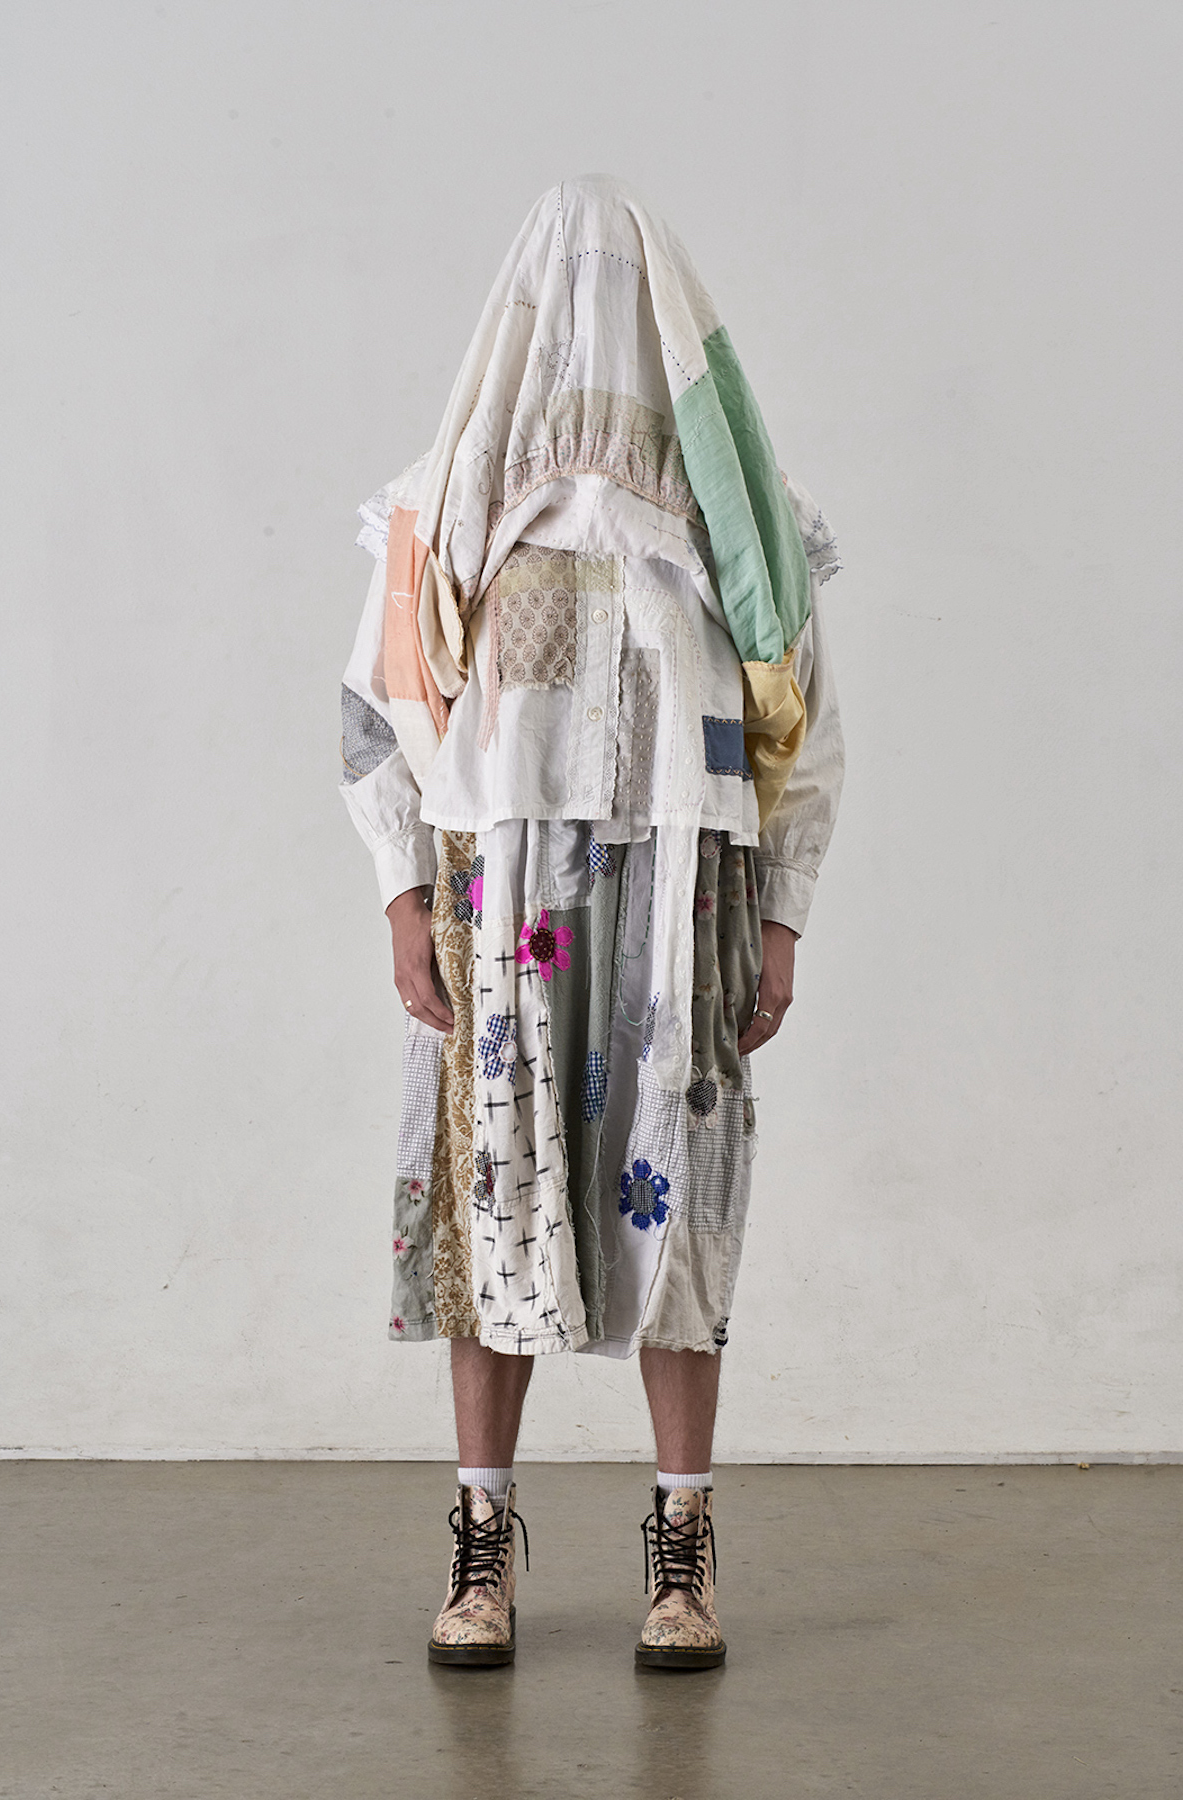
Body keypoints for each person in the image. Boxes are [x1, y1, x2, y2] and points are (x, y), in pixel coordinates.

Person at [339, 174, 844, 1670]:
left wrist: (784, 914)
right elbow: (377, 708)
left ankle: (683, 1546)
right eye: (563, 295)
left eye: (624, 293)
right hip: (505, 897)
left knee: (679, 1199)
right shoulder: (451, 503)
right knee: (493, 1191)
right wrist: (403, 891)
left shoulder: (739, 518)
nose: (591, 328)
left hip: (687, 891)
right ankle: (481, 1536)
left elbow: (806, 729)